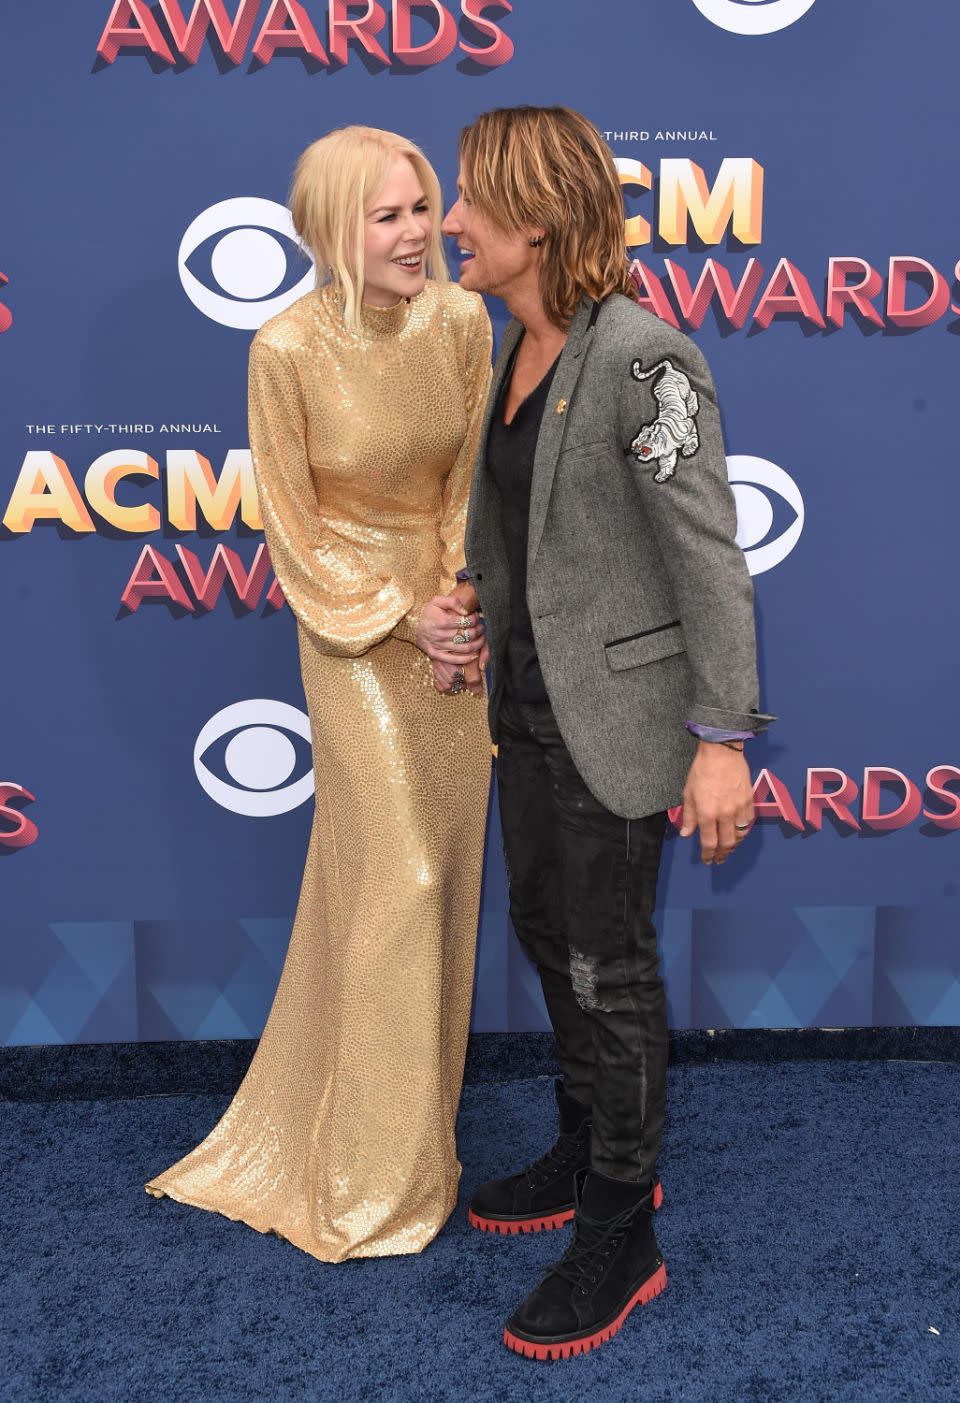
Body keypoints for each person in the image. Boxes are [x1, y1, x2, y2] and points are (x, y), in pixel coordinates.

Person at [437, 105, 774, 1358]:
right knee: (543, 927)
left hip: (622, 722)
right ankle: (589, 1146)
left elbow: (708, 558)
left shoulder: (645, 359)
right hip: (525, 712)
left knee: (606, 965)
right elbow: (527, 523)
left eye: (469, 199)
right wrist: (472, 600)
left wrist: (722, 736)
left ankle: (623, 1222)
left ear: (536, 220)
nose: (452, 221)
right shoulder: (508, 348)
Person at [146, 126, 493, 1262]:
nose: (417, 233)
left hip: (453, 628)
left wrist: (451, 602)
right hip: (350, 637)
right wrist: (398, 611)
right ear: (330, 230)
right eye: (387, 215)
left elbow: (471, 479)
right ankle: (368, 1183)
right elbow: (293, 524)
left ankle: (410, 1147)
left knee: (435, 887)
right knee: (404, 871)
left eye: (423, 207)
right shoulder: (284, 345)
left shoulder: (460, 321)